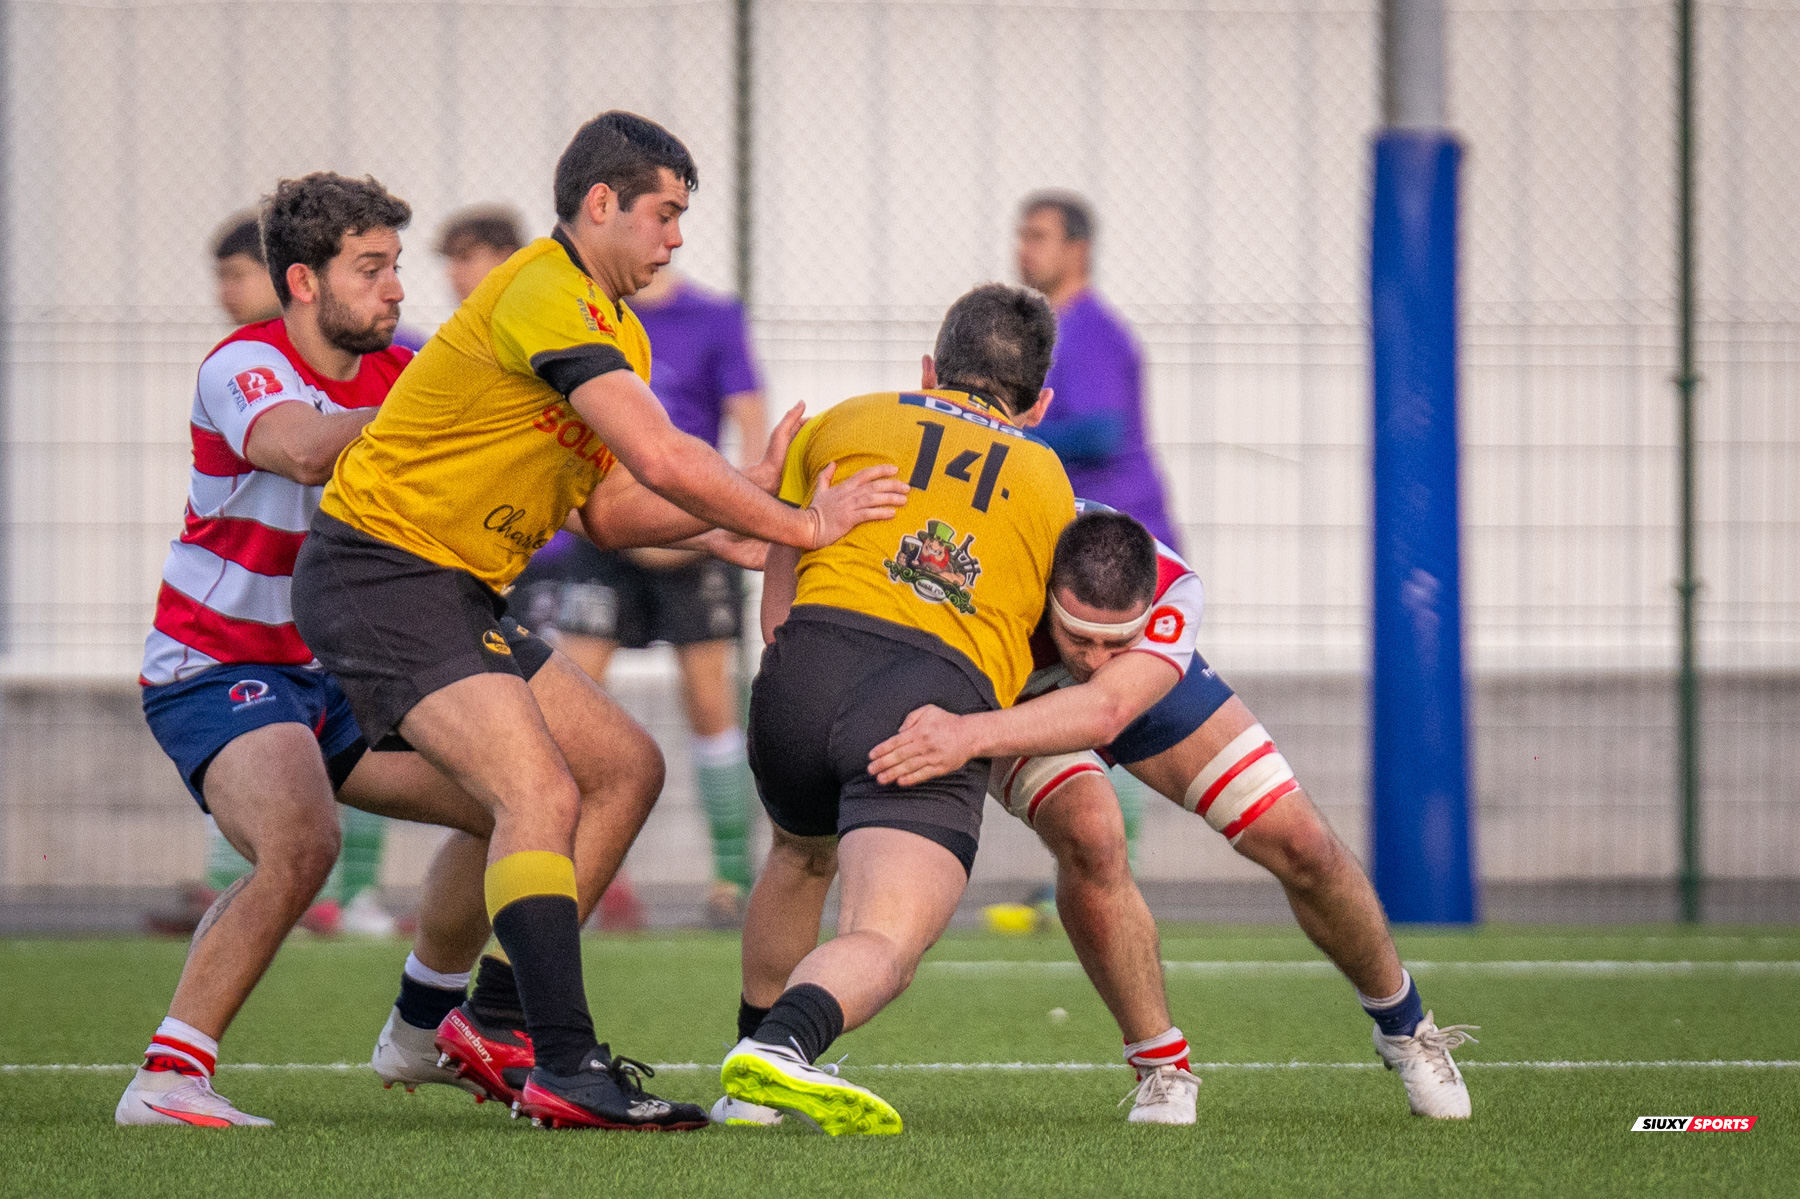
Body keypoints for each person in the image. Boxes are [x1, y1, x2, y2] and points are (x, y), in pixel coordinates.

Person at [289, 111, 908, 1131]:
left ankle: (478, 1016)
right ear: (601, 203)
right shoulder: (545, 288)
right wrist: (800, 515)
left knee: (625, 765)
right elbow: (664, 458)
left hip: (446, 586)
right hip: (381, 570)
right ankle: (565, 1065)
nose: (675, 238)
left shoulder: (615, 327)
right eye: (665, 213)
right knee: (537, 788)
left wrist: (730, 517)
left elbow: (613, 506)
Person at [865, 506, 1479, 1124]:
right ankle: (1161, 1068)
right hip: (1014, 688)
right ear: (1048, 591)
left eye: (1116, 639)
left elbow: (1106, 701)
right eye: (1080, 637)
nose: (1096, 657)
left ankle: (1405, 1030)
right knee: (1093, 835)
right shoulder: (999, 561)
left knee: (1301, 843)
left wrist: (967, 736)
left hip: (1133, 692)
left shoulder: (1174, 588)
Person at [121, 173, 488, 1125]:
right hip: (216, 664)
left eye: (396, 267)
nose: (397, 288)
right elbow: (302, 448)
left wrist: (736, 510)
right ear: (303, 281)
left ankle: (426, 1025)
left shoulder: (398, 369)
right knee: (303, 841)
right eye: (371, 269)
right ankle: (166, 1081)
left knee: (519, 798)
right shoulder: (244, 365)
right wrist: (444, 410)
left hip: (330, 671)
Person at [713, 283, 1075, 1136]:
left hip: (804, 666)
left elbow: (782, 577)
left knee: (800, 856)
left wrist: (795, 675)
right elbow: (1044, 643)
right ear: (1041, 402)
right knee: (885, 936)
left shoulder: (845, 418)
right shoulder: (1047, 478)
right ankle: (783, 1046)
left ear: (928, 369)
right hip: (926, 695)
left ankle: (744, 1077)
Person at [511, 261, 766, 928]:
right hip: (606, 533)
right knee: (569, 696)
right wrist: (618, 515)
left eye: (671, 217)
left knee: (710, 698)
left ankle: (731, 879)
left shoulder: (716, 317)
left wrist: (725, 510)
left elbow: (753, 421)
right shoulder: (592, 315)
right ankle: (593, 876)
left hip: (693, 533)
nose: (664, 238)